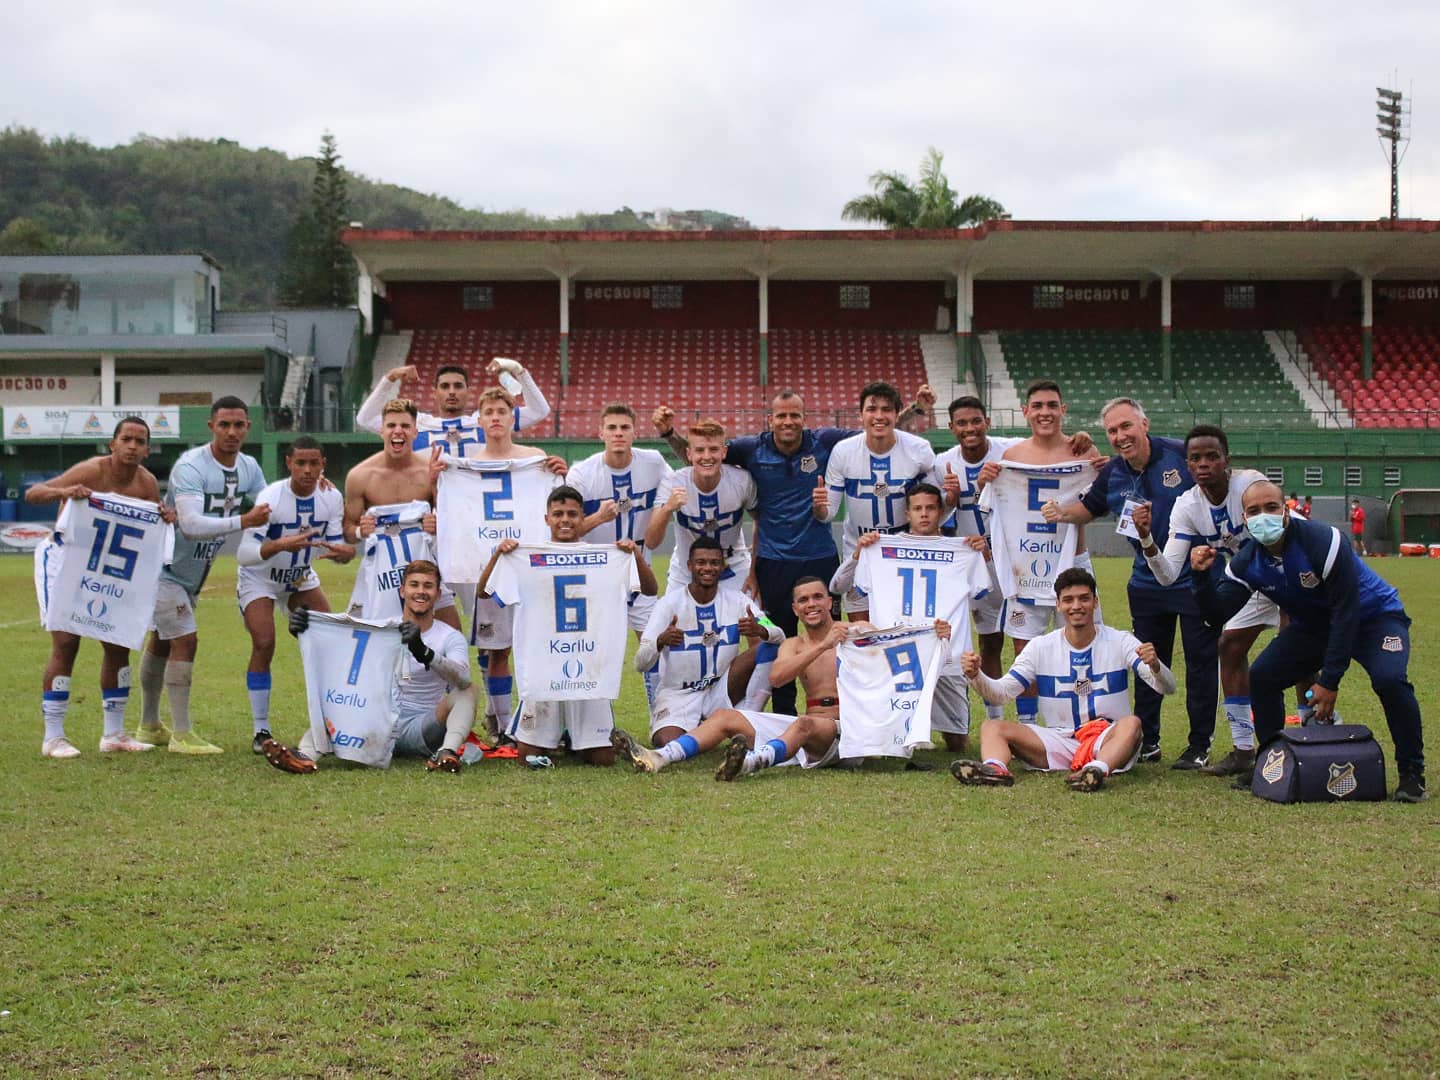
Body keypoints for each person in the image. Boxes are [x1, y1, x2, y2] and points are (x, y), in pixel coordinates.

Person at [653, 383, 936, 715]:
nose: (788, 422)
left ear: (805, 418)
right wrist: (669, 434)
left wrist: (915, 411)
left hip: (819, 555)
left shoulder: (826, 442)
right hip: (774, 561)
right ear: (770, 419)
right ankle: (783, 717)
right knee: (779, 641)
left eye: (795, 415)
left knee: (833, 641)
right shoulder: (751, 448)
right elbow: (704, 455)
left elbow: (876, 430)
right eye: (781, 416)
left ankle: (841, 713)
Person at [1191, 479, 1426, 803]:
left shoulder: (1322, 541)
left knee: (1390, 679)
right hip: (1316, 626)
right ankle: (1272, 763)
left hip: (1374, 618)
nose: (1264, 516)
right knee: (1262, 678)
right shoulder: (1247, 561)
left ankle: (1412, 774)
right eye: (1254, 511)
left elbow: (1346, 612)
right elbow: (1216, 613)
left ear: (1286, 510)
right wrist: (1201, 577)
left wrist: (1329, 681)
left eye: (1271, 507)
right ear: (1244, 519)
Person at [1042, 396, 1218, 768]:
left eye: (1126, 426)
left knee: (1201, 664)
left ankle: (1199, 745)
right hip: (1145, 583)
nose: (1120, 436)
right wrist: (1060, 512)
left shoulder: (1179, 455)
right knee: (1148, 661)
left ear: (1145, 424)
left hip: (1192, 580)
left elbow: (1214, 489)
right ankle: (1148, 740)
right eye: (1112, 431)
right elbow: (1089, 509)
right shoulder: (1114, 473)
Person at [931, 395, 1095, 721]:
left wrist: (1083, 440)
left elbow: (1052, 440)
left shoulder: (1011, 452)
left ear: (987, 422)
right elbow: (936, 512)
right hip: (996, 564)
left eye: (975, 420)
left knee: (1082, 645)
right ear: (950, 428)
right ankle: (1015, 723)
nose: (970, 428)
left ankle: (1081, 723)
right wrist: (954, 497)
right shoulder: (948, 462)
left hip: (1053, 558)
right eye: (961, 423)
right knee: (1005, 645)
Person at [951, 567, 1176, 792]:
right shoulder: (1040, 647)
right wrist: (975, 676)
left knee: (1132, 724)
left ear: (1095, 602)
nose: (1076, 606)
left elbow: (1167, 687)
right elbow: (1001, 693)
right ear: (1058, 605)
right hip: (1059, 740)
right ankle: (995, 769)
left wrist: (1155, 666)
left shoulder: (1121, 641)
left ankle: (1096, 770)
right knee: (992, 727)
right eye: (1068, 600)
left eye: (1084, 599)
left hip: (1107, 739)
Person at [477, 485, 656, 766]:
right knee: (528, 758)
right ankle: (561, 737)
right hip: (543, 666)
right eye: (558, 513)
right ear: (546, 518)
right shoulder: (526, 556)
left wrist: (635, 554)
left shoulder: (607, 556)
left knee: (601, 760)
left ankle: (580, 739)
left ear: (583, 518)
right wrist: (498, 555)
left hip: (589, 666)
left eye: (572, 514)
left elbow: (650, 588)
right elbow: (484, 593)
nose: (565, 519)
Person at [27, 417, 174, 758]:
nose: (132, 446)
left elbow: (153, 524)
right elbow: (35, 493)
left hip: (110, 570)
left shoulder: (147, 483)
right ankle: (53, 737)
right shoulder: (91, 470)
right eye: (127, 439)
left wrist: (164, 515)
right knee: (66, 643)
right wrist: (66, 492)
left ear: (147, 450)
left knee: (117, 642)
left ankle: (114, 733)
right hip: (65, 562)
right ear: (113, 443)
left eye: (140, 441)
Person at [1133, 425, 1274, 776]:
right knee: (1228, 647)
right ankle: (1244, 749)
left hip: (1286, 571)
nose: (1204, 464)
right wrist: (1147, 537)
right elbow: (1167, 574)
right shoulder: (1188, 505)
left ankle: (1314, 732)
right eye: (1195, 458)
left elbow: (1277, 533)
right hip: (1250, 581)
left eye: (1212, 456)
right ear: (1186, 465)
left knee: (1299, 653)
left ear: (1227, 460)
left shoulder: (1250, 485)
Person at [612, 576, 847, 777]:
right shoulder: (795, 644)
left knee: (802, 723)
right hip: (680, 692)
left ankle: (747, 762)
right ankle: (657, 757)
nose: (811, 604)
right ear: (795, 609)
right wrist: (823, 646)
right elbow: (777, 678)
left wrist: (760, 629)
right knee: (724, 718)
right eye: (803, 600)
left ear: (830, 601)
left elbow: (772, 631)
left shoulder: (855, 635)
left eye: (817, 597)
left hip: (844, 730)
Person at [139, 396, 269, 754]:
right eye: (224, 425)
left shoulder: (249, 467)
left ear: (248, 428)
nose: (231, 432)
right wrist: (244, 520)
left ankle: (149, 725)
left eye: (239, 425)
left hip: (193, 572)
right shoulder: (191, 467)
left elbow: (268, 509)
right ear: (211, 426)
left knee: (163, 640)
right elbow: (191, 525)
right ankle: (182, 734)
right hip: (164, 567)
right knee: (186, 640)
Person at [263, 559, 477, 773]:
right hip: (376, 724)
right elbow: (340, 655)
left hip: (420, 727)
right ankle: (304, 756)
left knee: (469, 691)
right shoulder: (382, 628)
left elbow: (462, 677)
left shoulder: (449, 636)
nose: (421, 591)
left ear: (438, 594)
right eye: (414, 585)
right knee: (341, 698)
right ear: (402, 591)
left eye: (428, 586)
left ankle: (446, 753)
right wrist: (304, 632)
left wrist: (423, 652)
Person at [830, 482, 988, 752]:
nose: (924, 514)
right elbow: (838, 587)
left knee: (956, 740)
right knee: (888, 733)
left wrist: (980, 552)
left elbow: (982, 592)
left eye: (930, 508)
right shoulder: (879, 547)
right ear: (907, 514)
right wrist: (859, 552)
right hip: (897, 652)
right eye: (917, 509)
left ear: (941, 512)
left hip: (945, 652)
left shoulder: (963, 551)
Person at [984, 380, 1101, 724]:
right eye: (1037, 405)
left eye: (1052, 405)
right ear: (1025, 411)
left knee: (1084, 645)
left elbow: (1096, 507)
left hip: (1072, 564)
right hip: (1026, 566)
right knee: (1024, 650)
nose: (1045, 412)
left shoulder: (1084, 454)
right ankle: (1028, 727)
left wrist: (1097, 463)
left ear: (1063, 410)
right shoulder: (1011, 458)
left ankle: (1083, 724)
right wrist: (986, 479)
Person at [235, 436, 353, 753]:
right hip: (260, 579)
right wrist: (280, 545)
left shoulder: (331, 496)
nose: (307, 469)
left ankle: (334, 721)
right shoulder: (271, 497)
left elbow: (338, 547)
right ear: (288, 463)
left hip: (300, 578)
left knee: (332, 639)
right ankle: (261, 730)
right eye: (300, 462)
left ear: (323, 465)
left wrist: (345, 554)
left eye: (314, 463)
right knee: (264, 641)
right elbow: (244, 553)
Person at [627, 536, 783, 747]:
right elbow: (640, 663)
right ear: (689, 566)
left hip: (721, 688)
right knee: (666, 742)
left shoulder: (738, 600)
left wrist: (760, 630)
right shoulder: (668, 605)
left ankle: (750, 717)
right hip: (679, 693)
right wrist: (660, 641)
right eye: (701, 562)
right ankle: (704, 728)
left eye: (714, 563)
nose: (707, 568)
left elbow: (778, 634)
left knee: (768, 647)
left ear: (722, 566)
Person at [567, 403, 674, 707]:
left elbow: (659, 525)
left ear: (634, 432)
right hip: (595, 576)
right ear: (600, 432)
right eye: (612, 428)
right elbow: (563, 531)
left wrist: (664, 509)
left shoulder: (653, 463)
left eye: (624, 428)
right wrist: (598, 518)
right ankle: (591, 719)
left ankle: (661, 714)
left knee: (652, 645)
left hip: (639, 571)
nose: (618, 434)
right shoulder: (582, 474)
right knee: (593, 649)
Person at [817, 381, 935, 622]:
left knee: (905, 627)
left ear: (896, 413)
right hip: (860, 551)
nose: (879, 416)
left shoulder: (919, 450)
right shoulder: (843, 451)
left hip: (905, 551)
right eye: (872, 409)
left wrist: (951, 498)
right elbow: (827, 514)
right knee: (861, 633)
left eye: (886, 409)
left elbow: (935, 506)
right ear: (861, 414)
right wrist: (818, 507)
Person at [342, 398, 463, 632]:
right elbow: (348, 531)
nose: (398, 431)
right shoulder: (360, 476)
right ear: (381, 431)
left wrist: (438, 522)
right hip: (382, 572)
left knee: (451, 634)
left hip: (427, 567)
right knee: (379, 641)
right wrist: (360, 530)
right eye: (391, 426)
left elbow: (454, 521)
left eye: (405, 426)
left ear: (415, 432)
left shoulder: (429, 471)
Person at [355, 358, 550, 452]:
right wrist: (391, 378)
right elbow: (365, 419)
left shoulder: (484, 421)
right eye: (445, 386)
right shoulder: (417, 424)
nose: (451, 391)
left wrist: (519, 370)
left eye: (458, 386)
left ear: (468, 391)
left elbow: (539, 411)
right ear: (435, 392)